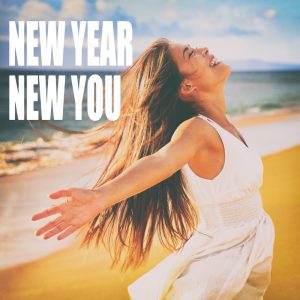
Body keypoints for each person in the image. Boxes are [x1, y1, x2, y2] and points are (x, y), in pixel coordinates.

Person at [31, 38, 275, 299]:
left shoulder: (224, 126)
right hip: (221, 258)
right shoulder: (197, 130)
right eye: (191, 53)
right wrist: (100, 197)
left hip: (251, 243)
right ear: (187, 85)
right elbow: (162, 160)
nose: (204, 49)